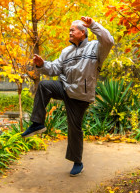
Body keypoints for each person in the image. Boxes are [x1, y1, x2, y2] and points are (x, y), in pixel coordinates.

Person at [21, 16, 114, 176]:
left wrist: (93, 25)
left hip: (81, 95)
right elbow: (54, 69)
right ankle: (37, 123)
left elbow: (109, 40)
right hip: (65, 87)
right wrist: (42, 64)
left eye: (73, 30)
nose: (69, 33)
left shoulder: (96, 49)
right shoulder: (66, 51)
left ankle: (77, 162)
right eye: (69, 30)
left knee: (74, 127)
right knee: (44, 85)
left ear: (83, 32)